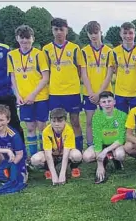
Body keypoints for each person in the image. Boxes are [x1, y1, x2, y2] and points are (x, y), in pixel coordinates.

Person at [42, 18, 85, 152]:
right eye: (56, 29)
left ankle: (78, 150)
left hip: (72, 92)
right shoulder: (46, 49)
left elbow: (79, 69)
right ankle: (56, 150)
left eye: (62, 29)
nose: (59, 32)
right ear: (52, 30)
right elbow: (46, 70)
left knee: (75, 122)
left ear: (67, 30)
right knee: (56, 123)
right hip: (55, 92)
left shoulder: (74, 48)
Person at [8, 25, 50, 157]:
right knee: (30, 128)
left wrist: (33, 94)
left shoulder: (39, 54)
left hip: (40, 97)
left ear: (33, 39)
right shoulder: (11, 55)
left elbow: (45, 77)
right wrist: (17, 95)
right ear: (17, 39)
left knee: (42, 128)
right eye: (22, 40)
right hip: (24, 99)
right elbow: (13, 78)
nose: (25, 43)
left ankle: (45, 156)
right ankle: (33, 157)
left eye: (27, 40)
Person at [82, 91, 127, 184]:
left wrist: (106, 151)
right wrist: (100, 165)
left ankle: (115, 160)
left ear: (114, 102)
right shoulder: (97, 117)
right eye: (104, 102)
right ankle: (105, 160)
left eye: (109, 101)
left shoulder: (122, 115)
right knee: (86, 157)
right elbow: (97, 140)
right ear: (100, 104)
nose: (107, 104)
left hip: (115, 145)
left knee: (120, 155)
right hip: (101, 145)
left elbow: (121, 139)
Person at [81, 21, 113, 149]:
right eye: (91, 33)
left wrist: (99, 93)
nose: (94, 36)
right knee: (90, 121)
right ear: (88, 35)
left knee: (107, 122)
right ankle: (90, 145)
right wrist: (91, 93)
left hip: (105, 93)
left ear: (101, 33)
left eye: (96, 32)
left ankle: (108, 146)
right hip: (89, 94)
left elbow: (109, 74)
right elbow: (84, 74)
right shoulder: (83, 52)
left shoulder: (109, 51)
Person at [30, 108, 83, 185]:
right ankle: (49, 170)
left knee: (77, 155)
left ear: (65, 121)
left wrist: (62, 174)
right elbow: (48, 154)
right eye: (53, 121)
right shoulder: (46, 131)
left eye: (60, 121)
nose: (56, 124)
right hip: (52, 154)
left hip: (64, 154)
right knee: (35, 159)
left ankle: (74, 167)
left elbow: (66, 153)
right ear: (50, 121)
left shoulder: (69, 130)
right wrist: (54, 175)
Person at [101, 22, 136, 113]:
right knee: (121, 123)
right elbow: (109, 75)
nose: (128, 36)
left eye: (130, 33)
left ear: (135, 34)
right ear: (120, 34)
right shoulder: (114, 52)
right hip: (120, 94)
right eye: (125, 33)